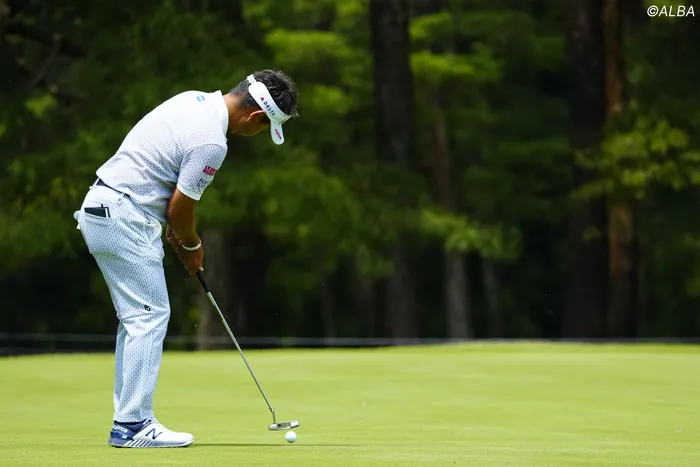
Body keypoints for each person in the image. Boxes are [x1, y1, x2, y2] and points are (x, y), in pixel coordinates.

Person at [72, 70, 299, 448]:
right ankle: (132, 424)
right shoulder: (213, 143)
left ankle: (128, 419)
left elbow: (162, 181)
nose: (255, 134)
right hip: (124, 215)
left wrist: (177, 233)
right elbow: (180, 207)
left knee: (137, 317)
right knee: (148, 315)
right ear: (256, 116)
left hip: (105, 207)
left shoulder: (192, 99)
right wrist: (191, 246)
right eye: (263, 128)